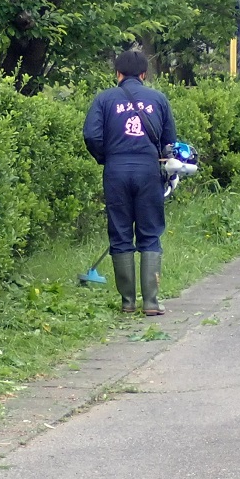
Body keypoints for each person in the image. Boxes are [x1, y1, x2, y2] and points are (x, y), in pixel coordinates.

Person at [83, 50, 178, 316]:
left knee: (120, 232)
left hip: (116, 170)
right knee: (150, 233)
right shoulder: (158, 99)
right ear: (145, 74)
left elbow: (91, 135)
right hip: (149, 170)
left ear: (118, 74)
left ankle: (127, 302)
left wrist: (107, 157)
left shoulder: (104, 99)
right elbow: (170, 141)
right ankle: (151, 302)